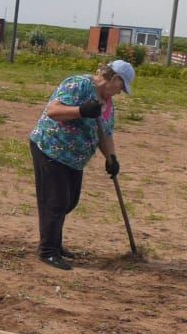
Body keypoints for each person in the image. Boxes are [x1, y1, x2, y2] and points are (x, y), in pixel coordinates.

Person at [29, 60, 135, 271]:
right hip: (51, 148)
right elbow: (53, 111)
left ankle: (56, 245)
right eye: (121, 87)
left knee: (70, 201)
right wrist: (82, 110)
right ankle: (48, 251)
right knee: (56, 202)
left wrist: (111, 157)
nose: (120, 92)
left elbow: (105, 133)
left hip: (74, 158)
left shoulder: (107, 102)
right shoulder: (78, 84)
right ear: (113, 78)